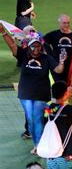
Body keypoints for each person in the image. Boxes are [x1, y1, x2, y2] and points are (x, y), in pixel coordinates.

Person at [0, 24, 66, 155]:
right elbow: (13, 46)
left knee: (37, 119)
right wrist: (3, 33)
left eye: (38, 46)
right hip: (25, 94)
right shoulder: (23, 55)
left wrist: (62, 61)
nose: (36, 49)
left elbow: (58, 69)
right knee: (30, 120)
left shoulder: (46, 58)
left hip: (41, 94)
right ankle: (36, 142)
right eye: (33, 46)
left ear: (41, 46)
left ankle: (38, 145)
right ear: (28, 46)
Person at [44, 14, 72, 83]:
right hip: (57, 66)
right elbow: (42, 42)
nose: (66, 25)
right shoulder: (53, 34)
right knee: (59, 86)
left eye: (68, 23)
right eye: (64, 23)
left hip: (71, 67)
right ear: (59, 23)